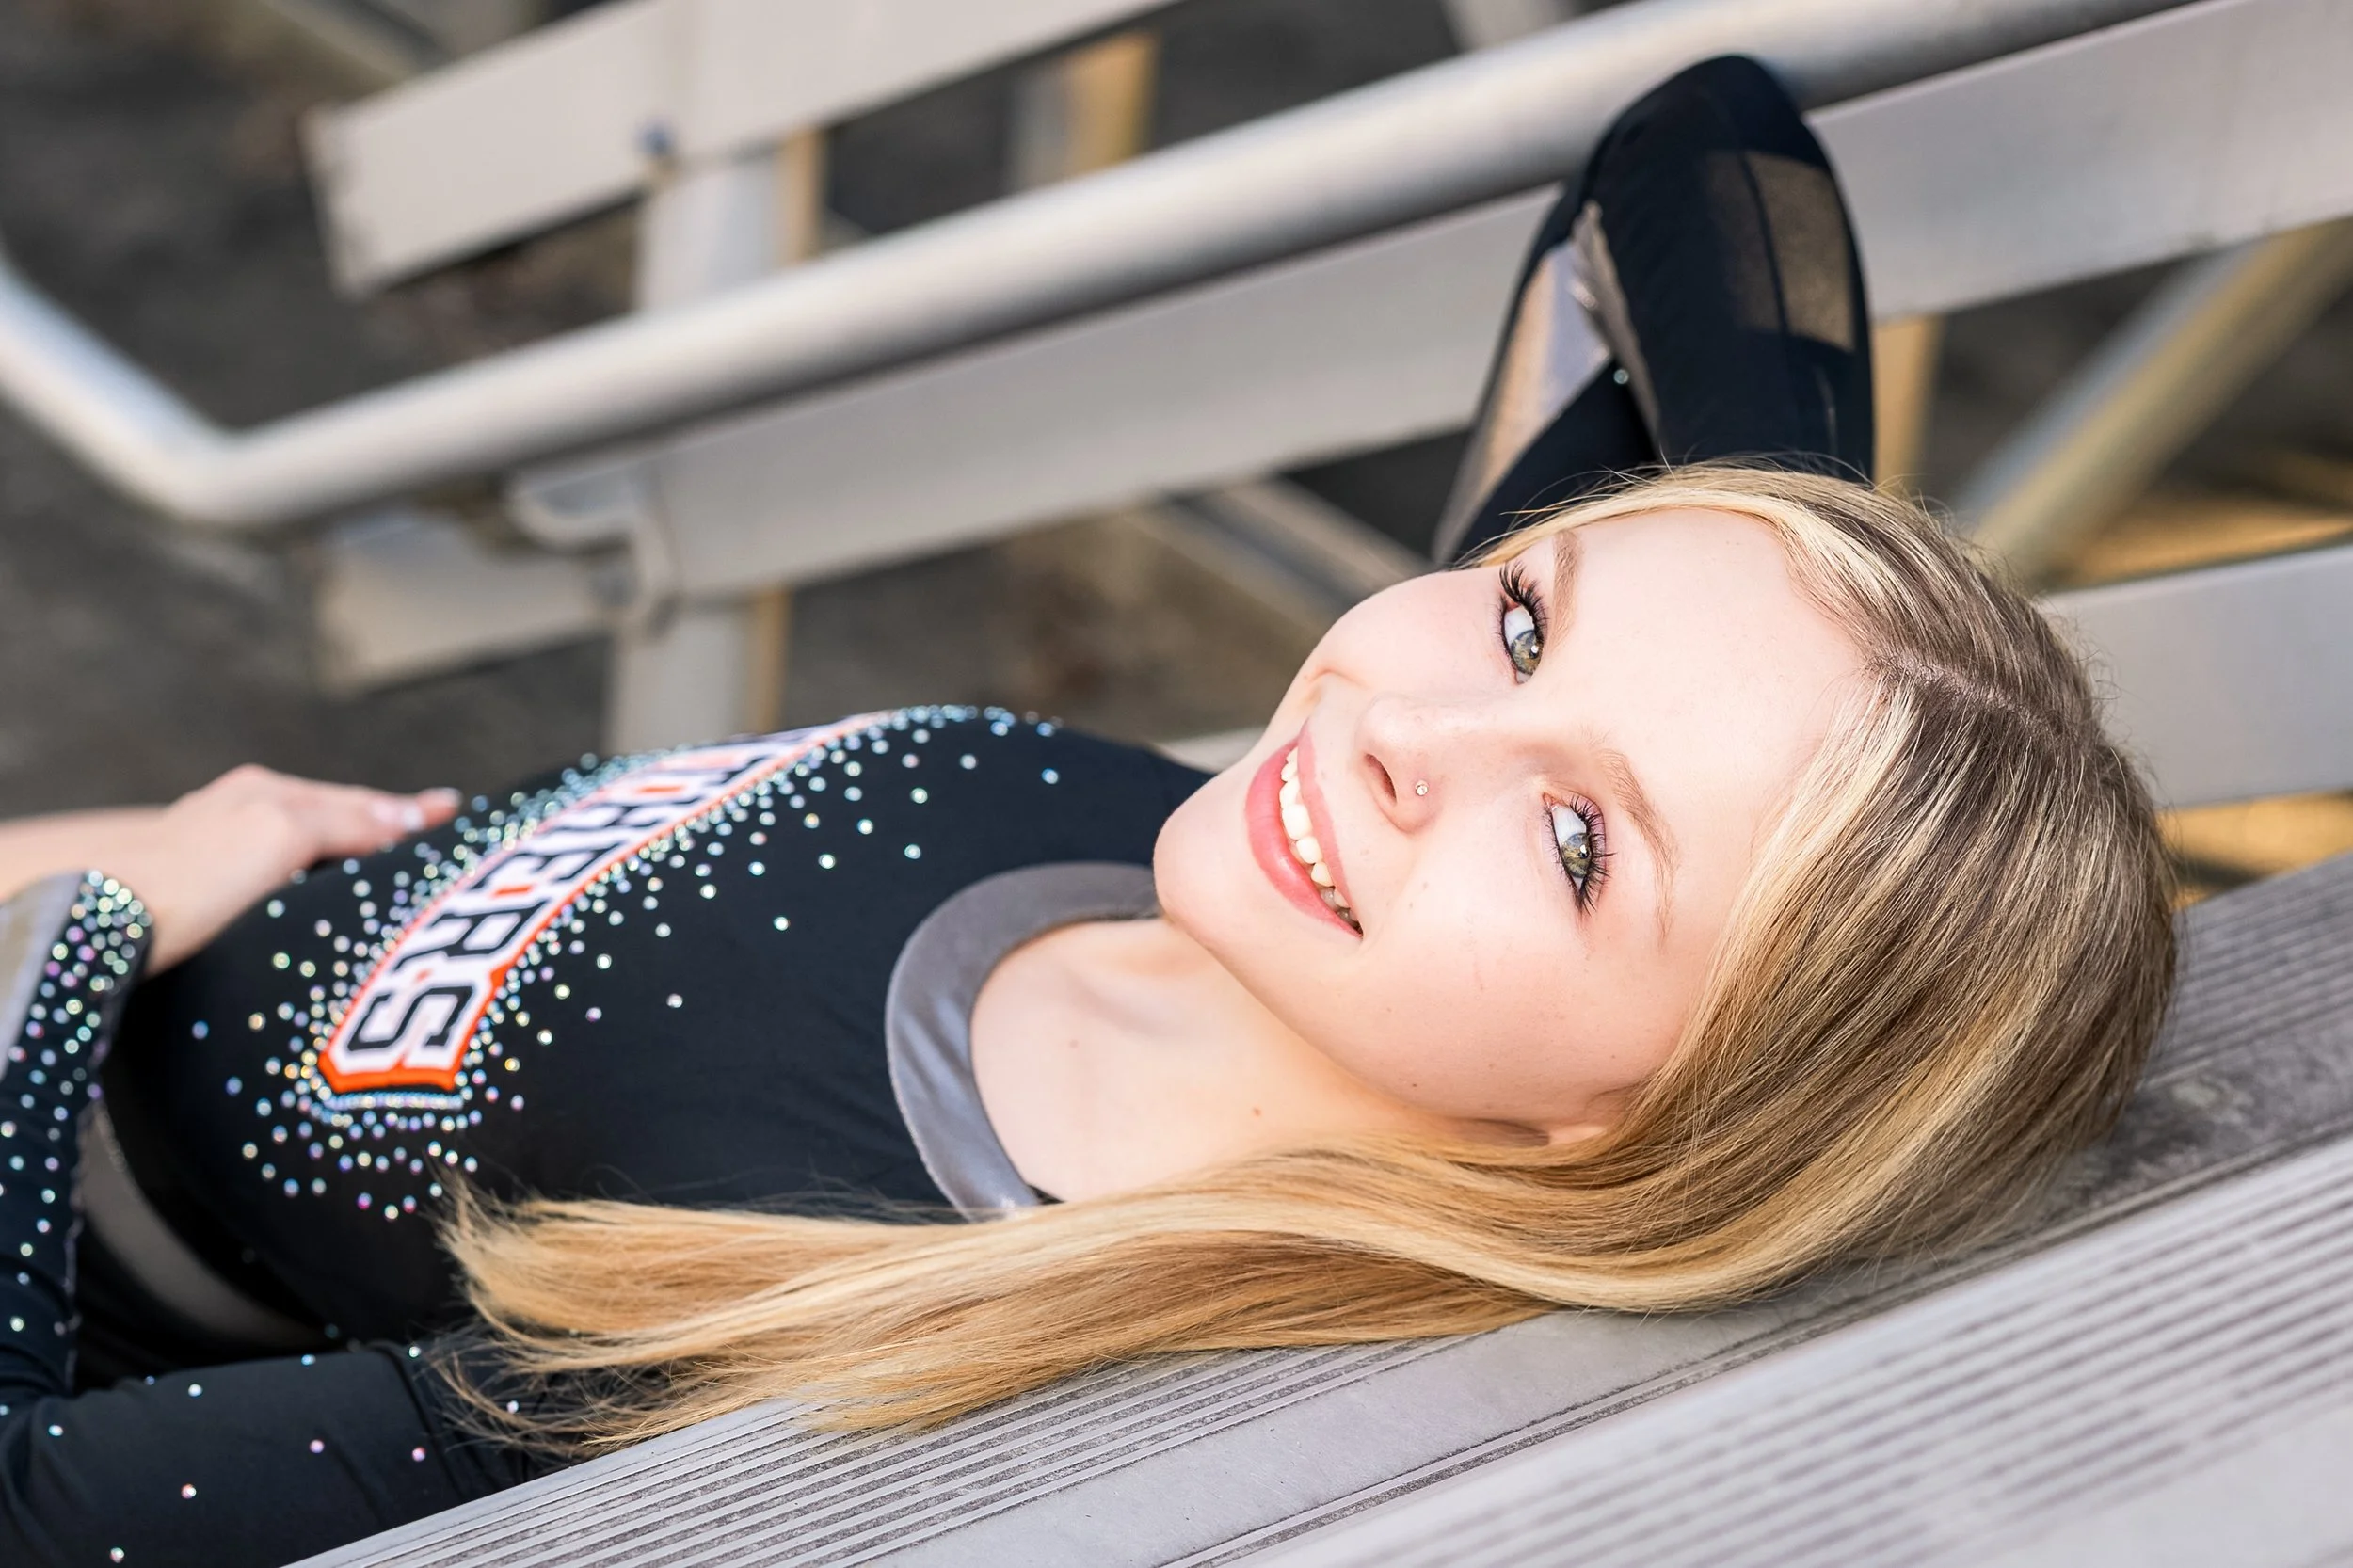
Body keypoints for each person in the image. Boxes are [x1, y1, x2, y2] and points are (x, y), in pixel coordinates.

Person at [0, 58, 2172, 1567]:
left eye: (1585, 839)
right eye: (1523, 613)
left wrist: (92, 921)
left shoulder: (834, 1325)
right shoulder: (1303, 857)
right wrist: (1836, 684)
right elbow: (1693, 165)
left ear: (1650, 1108)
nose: (1411, 715)